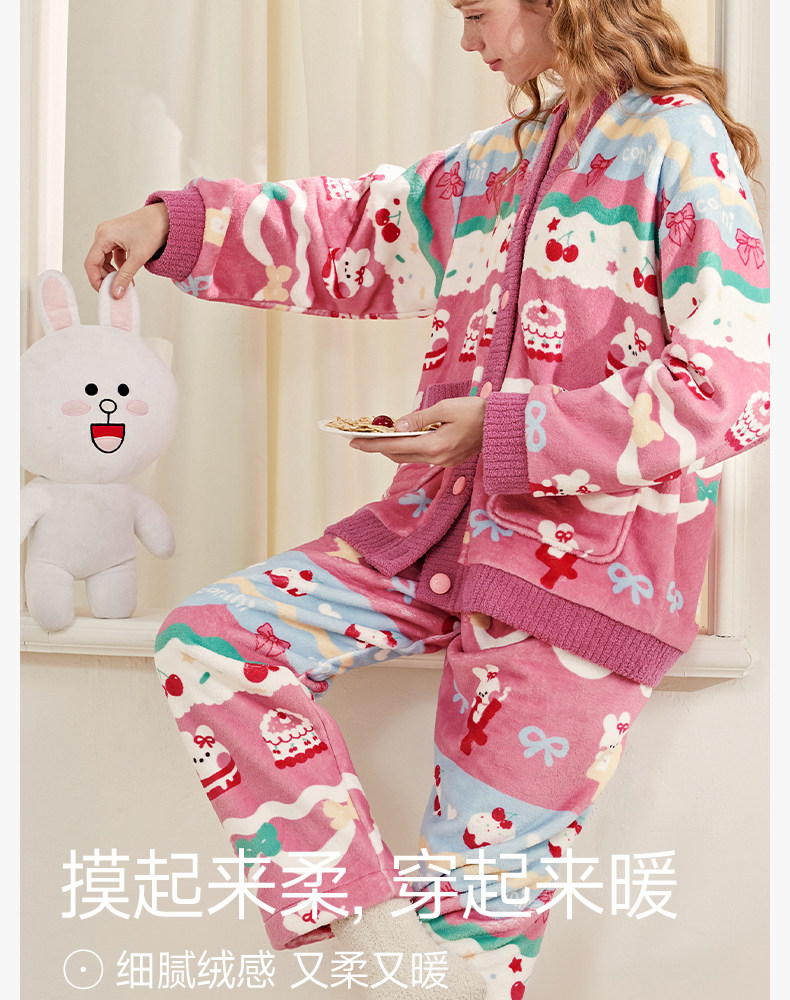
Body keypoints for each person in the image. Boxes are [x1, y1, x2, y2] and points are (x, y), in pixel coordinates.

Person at [84, 0, 770, 995]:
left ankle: (423, 960)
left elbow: (727, 389)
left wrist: (503, 428)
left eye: (477, 13)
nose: (466, 41)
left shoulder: (675, 142)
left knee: (469, 936)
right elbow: (355, 226)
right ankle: (363, 931)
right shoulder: (500, 162)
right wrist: (176, 225)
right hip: (430, 537)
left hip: (578, 578)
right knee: (212, 639)